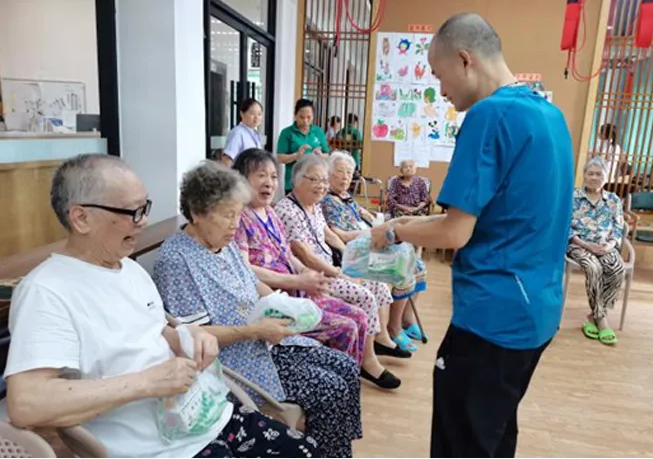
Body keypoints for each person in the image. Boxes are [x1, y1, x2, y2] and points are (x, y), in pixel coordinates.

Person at [3, 154, 320, 458]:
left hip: (201, 415)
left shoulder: (129, 269)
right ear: (81, 218)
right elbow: (26, 404)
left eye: (145, 208)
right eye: (132, 212)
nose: (143, 222)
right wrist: (146, 383)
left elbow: (156, 331)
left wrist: (189, 336)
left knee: (306, 450)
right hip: (155, 447)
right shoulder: (47, 291)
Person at [370, 14, 574, 457]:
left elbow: (454, 231)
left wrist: (393, 230)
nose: (440, 90)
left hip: (493, 317)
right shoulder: (550, 116)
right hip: (538, 309)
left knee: (462, 442)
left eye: (439, 74)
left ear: (465, 60)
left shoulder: (490, 115)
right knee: (495, 432)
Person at [152, 161, 361, 458]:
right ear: (197, 212)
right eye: (228, 215)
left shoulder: (222, 243)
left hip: (264, 341)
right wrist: (254, 331)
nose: (235, 224)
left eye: (238, 213)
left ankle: (331, 449)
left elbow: (253, 283)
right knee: (331, 387)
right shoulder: (176, 260)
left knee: (347, 367)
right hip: (236, 364)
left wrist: (284, 305)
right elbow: (192, 335)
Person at [276, 154, 410, 390]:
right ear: (297, 180)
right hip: (315, 275)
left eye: (323, 180)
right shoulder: (287, 210)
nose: (321, 185)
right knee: (364, 295)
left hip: (333, 266)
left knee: (378, 284)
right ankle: (368, 362)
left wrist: (349, 257)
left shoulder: (314, 205)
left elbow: (328, 234)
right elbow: (304, 255)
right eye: (315, 180)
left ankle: (378, 341)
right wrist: (339, 273)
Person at [232, 147, 368, 364]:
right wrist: (297, 280)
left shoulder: (270, 212)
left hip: (299, 292)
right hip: (276, 304)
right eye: (261, 175)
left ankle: (352, 372)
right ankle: (339, 374)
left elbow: (287, 254)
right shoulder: (238, 218)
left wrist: (306, 273)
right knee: (346, 327)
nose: (269, 183)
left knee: (359, 317)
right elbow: (243, 269)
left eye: (273, 176)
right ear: (241, 180)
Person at [321, 151, 429, 348]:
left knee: (418, 266)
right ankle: (394, 328)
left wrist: (376, 221)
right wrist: (371, 232)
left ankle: (406, 319)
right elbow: (338, 234)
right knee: (404, 269)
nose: (345, 177)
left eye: (349, 172)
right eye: (340, 172)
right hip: (355, 254)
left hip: (369, 244)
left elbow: (363, 213)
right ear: (329, 173)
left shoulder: (345, 196)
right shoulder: (328, 200)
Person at [568, 157, 625, 345]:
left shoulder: (613, 200)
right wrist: (585, 245)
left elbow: (618, 228)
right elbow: (564, 226)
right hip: (579, 244)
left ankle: (593, 315)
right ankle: (601, 319)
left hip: (604, 245)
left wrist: (609, 245)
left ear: (606, 177)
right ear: (584, 176)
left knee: (617, 269)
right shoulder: (573, 197)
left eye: (599, 174)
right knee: (594, 268)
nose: (594, 177)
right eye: (590, 173)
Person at [276, 98, 330, 193]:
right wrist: (296, 155)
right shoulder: (287, 133)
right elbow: (280, 158)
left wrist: (320, 155)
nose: (305, 121)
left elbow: (327, 155)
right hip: (294, 182)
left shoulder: (318, 132)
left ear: (313, 116)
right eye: (301, 117)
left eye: (309, 117)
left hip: (316, 181)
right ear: (295, 115)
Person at [221, 98, 263, 167]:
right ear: (242, 114)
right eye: (252, 113)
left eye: (259, 114)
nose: (256, 117)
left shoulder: (255, 134)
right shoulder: (238, 133)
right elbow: (227, 160)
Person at [595, 123, 633, 197]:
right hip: (609, 178)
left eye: (601, 132)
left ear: (604, 134)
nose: (598, 133)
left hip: (601, 177)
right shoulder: (615, 146)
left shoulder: (603, 146)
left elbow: (598, 160)